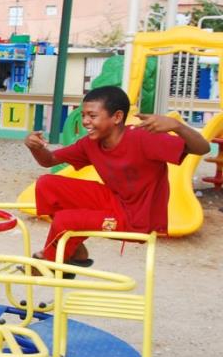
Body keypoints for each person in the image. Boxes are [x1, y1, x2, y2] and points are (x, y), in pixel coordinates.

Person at [24, 85, 209, 270]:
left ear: (117, 117)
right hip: (115, 202)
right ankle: (75, 252)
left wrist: (177, 126)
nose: (85, 121)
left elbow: (202, 148)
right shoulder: (90, 144)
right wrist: (35, 147)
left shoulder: (143, 138)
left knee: (65, 220)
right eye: (83, 115)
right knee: (47, 185)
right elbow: (49, 160)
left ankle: (46, 265)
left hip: (137, 218)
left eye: (92, 116)